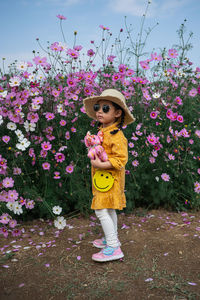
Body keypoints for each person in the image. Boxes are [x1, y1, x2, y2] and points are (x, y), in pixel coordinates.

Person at [83, 89, 135, 262]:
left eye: (105, 108)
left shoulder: (117, 136)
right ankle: (111, 237)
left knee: (100, 210)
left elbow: (121, 160)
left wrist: (101, 164)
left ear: (117, 113)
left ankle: (113, 246)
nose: (99, 111)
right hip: (102, 179)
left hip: (111, 179)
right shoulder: (102, 130)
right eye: (98, 107)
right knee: (109, 208)